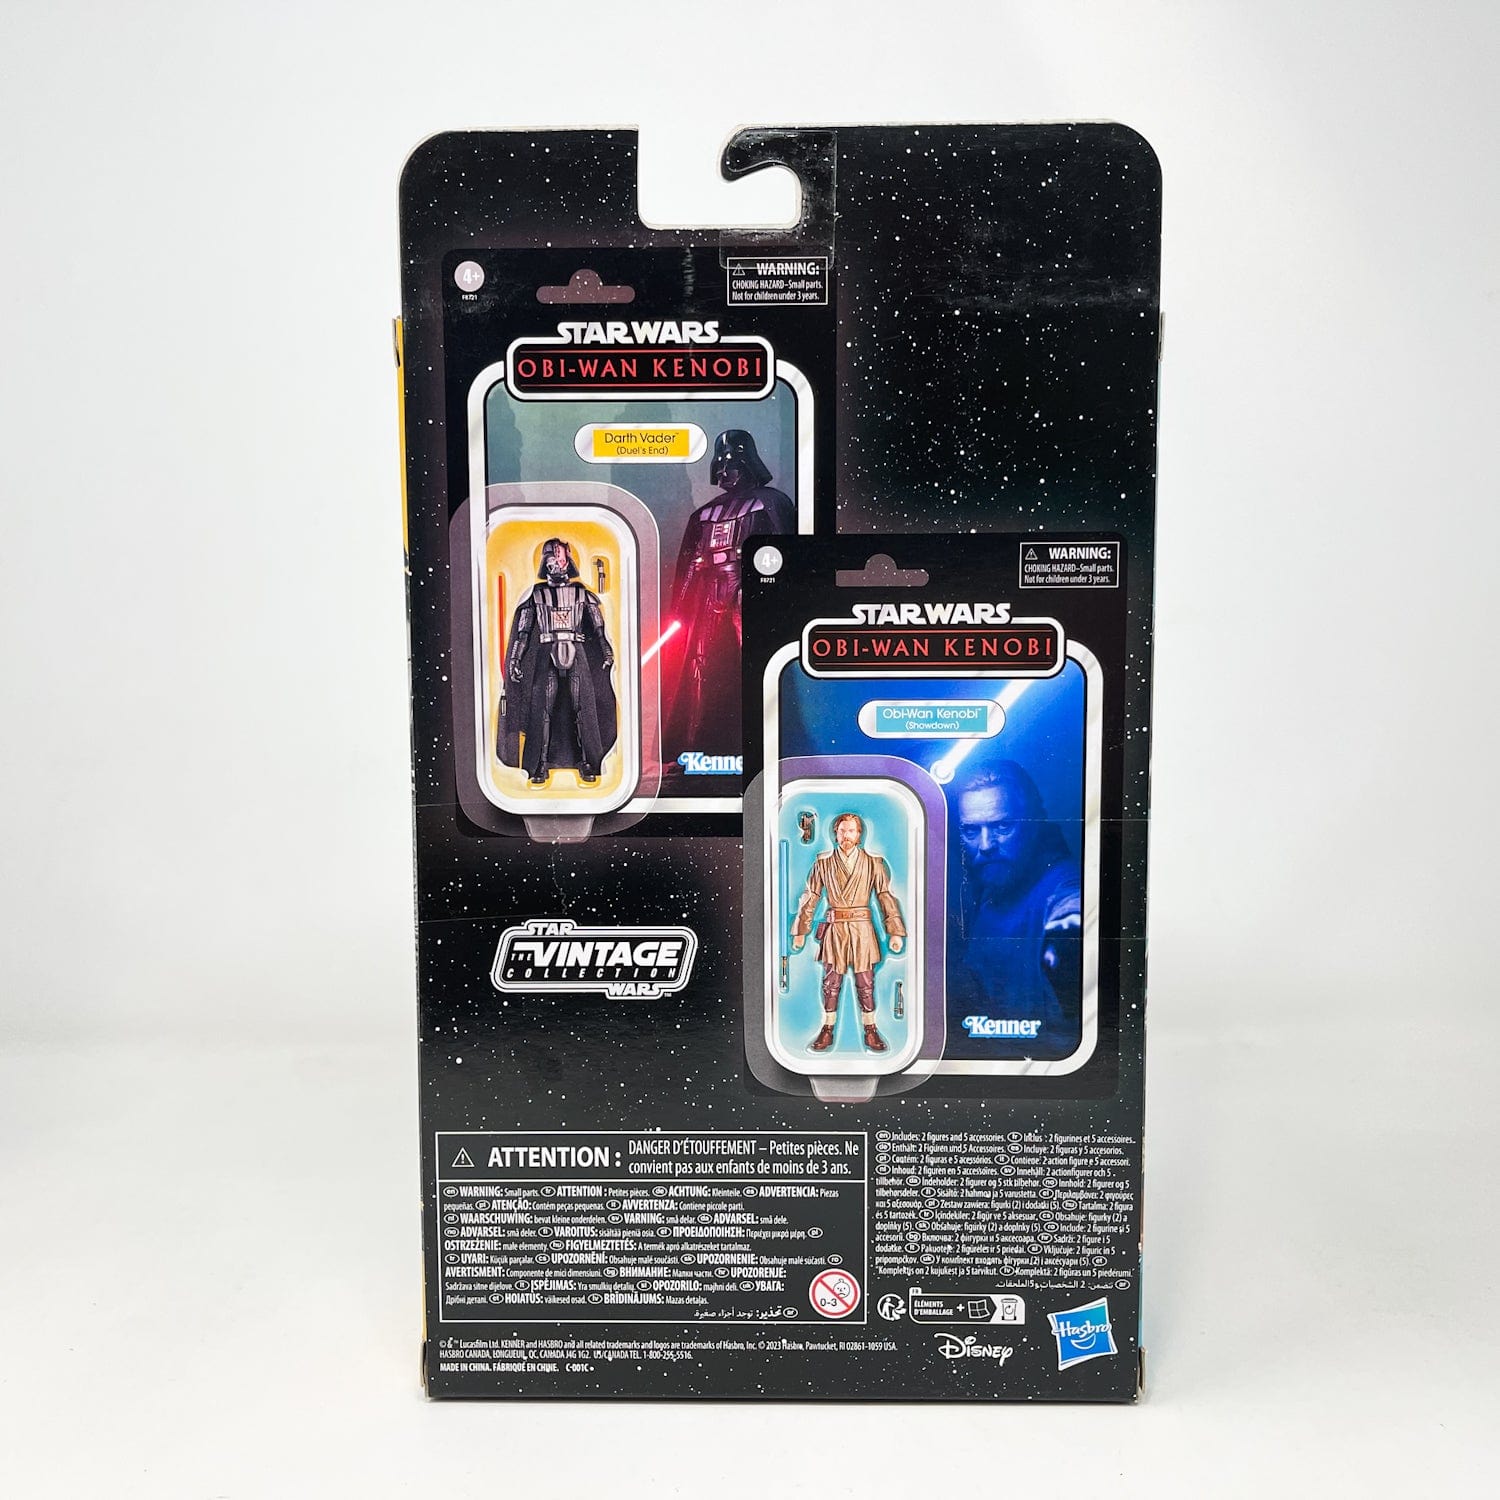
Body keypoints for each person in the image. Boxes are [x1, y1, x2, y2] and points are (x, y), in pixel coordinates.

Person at [667, 430, 793, 755]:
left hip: (745, 589)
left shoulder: (769, 503)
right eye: (719, 466)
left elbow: (786, 556)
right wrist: (680, 607)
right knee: (701, 662)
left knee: (755, 658)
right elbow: (690, 563)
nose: (723, 472)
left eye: (731, 465)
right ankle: (698, 739)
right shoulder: (704, 514)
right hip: (710, 591)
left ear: (747, 464)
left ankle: (763, 736)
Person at [952, 762, 1081, 1036]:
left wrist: (1067, 941)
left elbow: (1071, 911)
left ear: (1034, 825)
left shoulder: (1064, 887)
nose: (986, 845)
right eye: (971, 831)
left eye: (1002, 826)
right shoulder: (987, 884)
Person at [498, 538, 616, 785]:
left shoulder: (582, 593)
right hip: (546, 652)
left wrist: (606, 650)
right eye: (552, 559)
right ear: (545, 562)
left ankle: (587, 762)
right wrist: (515, 659)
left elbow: (599, 628)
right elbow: (523, 632)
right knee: (543, 710)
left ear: (568, 561)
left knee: (581, 708)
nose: (557, 564)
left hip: (576, 651)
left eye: (560, 559)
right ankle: (539, 764)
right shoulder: (536, 594)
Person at [791, 812, 905, 1053]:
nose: (846, 836)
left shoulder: (873, 863)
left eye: (851, 831)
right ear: (836, 834)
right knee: (831, 983)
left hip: (863, 930)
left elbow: (885, 895)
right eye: (842, 831)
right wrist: (801, 930)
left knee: (866, 982)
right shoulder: (823, 863)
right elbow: (811, 896)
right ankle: (827, 1029)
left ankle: (871, 1029)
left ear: (859, 834)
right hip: (836, 930)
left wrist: (894, 932)